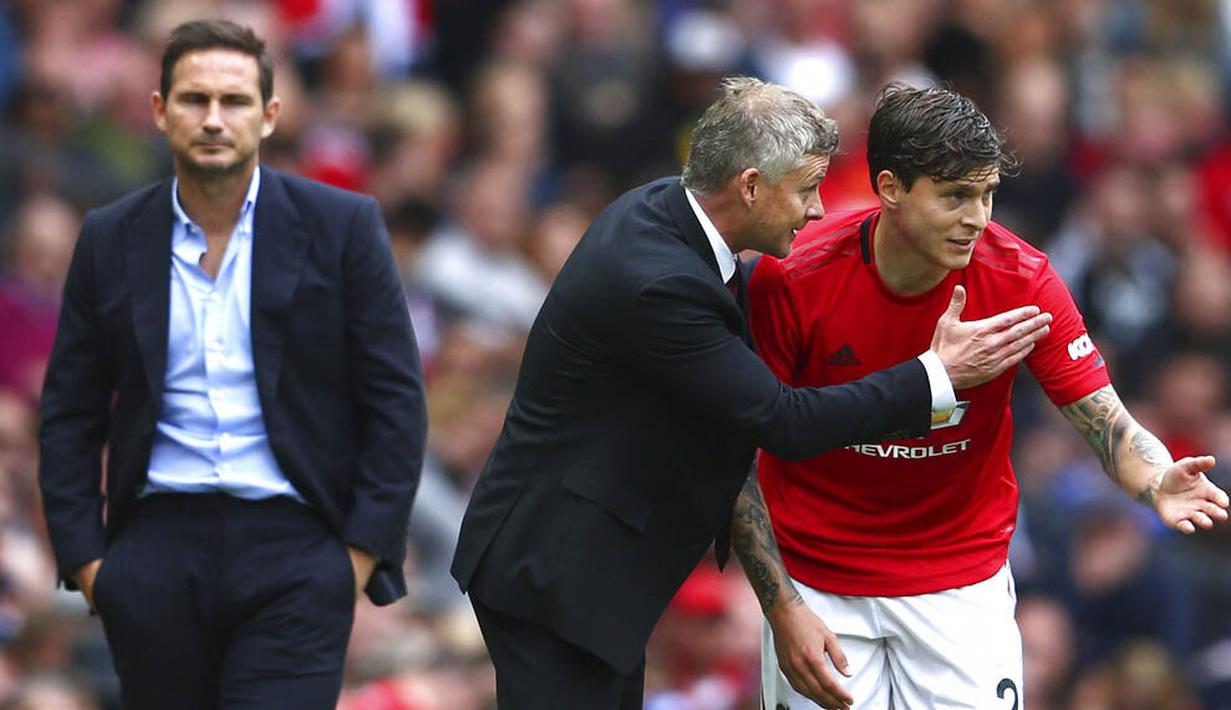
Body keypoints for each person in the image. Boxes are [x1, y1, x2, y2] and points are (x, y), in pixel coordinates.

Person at [450, 76, 1053, 709]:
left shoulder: (665, 214)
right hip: (556, 574)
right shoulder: (659, 282)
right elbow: (781, 420)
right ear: (751, 186)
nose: (819, 210)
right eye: (807, 190)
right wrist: (934, 375)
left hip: (591, 572)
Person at [734, 84, 1230, 710]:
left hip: (959, 582)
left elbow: (1109, 423)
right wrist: (781, 608)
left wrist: (1157, 478)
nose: (977, 217)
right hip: (818, 583)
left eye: (987, 193)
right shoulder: (791, 277)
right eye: (955, 196)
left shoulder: (1022, 281)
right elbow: (736, 452)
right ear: (890, 188)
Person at [37, 20, 426, 710]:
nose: (213, 119)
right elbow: (70, 410)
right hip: (152, 551)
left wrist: (357, 556)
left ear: (269, 116)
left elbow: (396, 401)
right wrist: (90, 563)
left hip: (296, 549)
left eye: (235, 101)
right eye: (193, 99)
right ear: (159, 110)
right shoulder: (110, 237)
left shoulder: (342, 227)